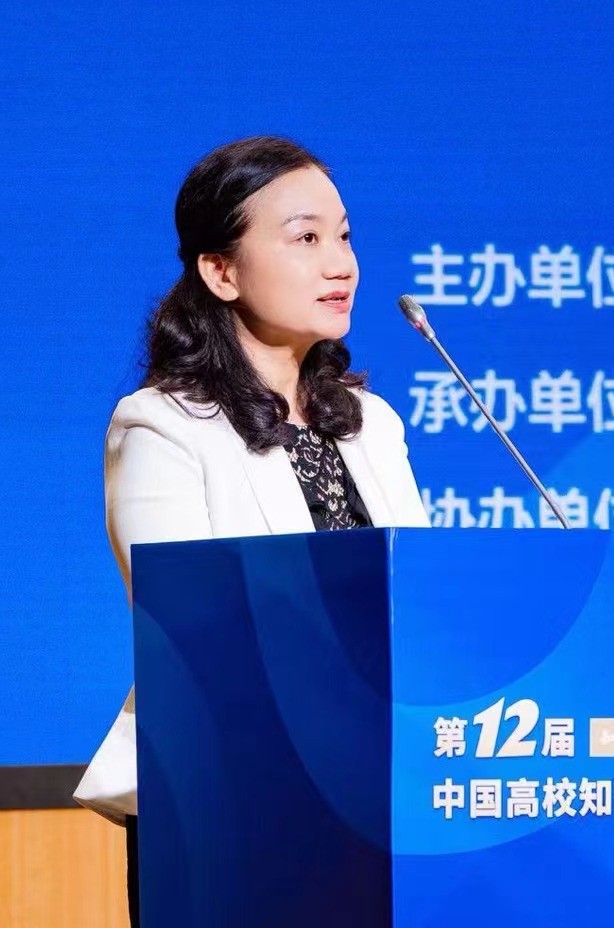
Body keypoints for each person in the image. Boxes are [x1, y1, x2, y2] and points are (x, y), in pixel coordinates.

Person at [71, 136, 430, 927]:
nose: (340, 264)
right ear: (220, 271)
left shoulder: (371, 425)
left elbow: (420, 599)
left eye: (344, 236)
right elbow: (190, 621)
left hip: (376, 793)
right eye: (306, 238)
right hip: (225, 800)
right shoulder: (164, 425)